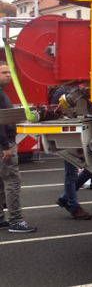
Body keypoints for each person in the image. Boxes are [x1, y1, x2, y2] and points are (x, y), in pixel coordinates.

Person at [0, 61, 36, 232]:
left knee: (1, 182)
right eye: (4, 72)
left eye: (9, 72)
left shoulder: (2, 93)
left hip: (4, 143)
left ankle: (1, 219)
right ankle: (16, 221)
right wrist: (5, 146)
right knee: (12, 181)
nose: (8, 75)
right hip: (4, 144)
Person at [48, 87, 92, 220]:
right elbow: (54, 113)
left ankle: (66, 198)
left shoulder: (79, 90)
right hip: (68, 134)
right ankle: (73, 206)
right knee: (71, 173)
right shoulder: (61, 92)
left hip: (81, 132)